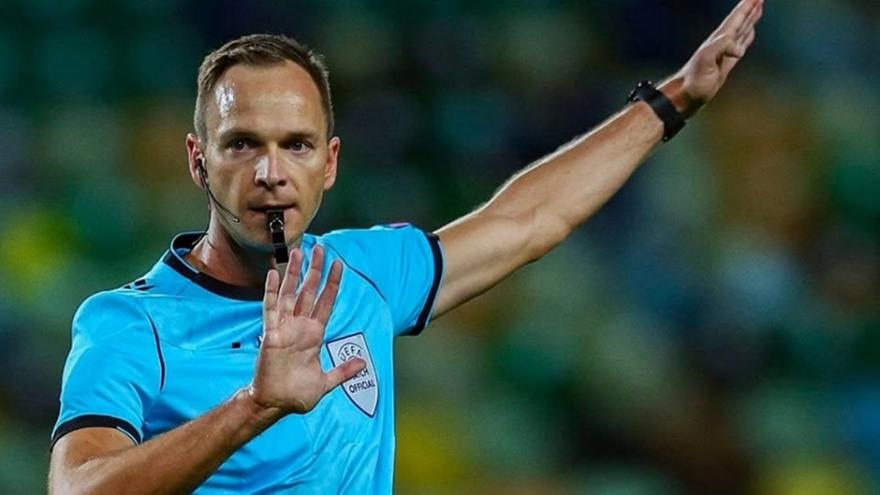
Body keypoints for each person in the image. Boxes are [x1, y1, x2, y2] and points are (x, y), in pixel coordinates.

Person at [47, 0, 763, 493]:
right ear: (199, 161)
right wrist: (254, 407)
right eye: (242, 145)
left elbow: (528, 219)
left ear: (329, 163)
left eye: (296, 145)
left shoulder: (363, 272)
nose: (271, 172)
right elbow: (77, 489)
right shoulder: (129, 324)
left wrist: (672, 102)